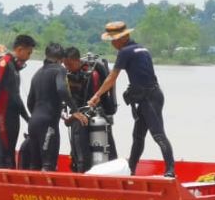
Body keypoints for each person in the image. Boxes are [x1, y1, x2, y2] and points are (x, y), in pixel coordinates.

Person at [88, 21, 176, 177]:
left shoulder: (125, 52)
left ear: (125, 37)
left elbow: (112, 77)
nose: (113, 43)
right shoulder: (141, 49)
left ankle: (170, 171)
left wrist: (97, 95)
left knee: (158, 134)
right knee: (138, 137)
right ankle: (131, 170)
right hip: (150, 96)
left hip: (149, 98)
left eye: (115, 40)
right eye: (111, 40)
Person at [25, 43, 87, 171]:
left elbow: (30, 102)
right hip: (48, 124)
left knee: (34, 165)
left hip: (33, 122)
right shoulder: (59, 69)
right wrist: (75, 110)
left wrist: (38, 115)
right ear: (61, 59)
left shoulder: (37, 73)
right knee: (48, 165)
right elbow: (62, 89)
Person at [0, 34, 36, 168]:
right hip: (3, 115)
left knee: (10, 151)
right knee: (4, 151)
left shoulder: (14, 67)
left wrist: (28, 118)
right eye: (28, 53)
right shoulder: (4, 63)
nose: (29, 56)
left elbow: (16, 97)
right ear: (19, 50)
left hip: (13, 116)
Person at [63, 47, 118, 172]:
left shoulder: (93, 73)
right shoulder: (67, 76)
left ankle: (110, 175)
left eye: (69, 64)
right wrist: (69, 117)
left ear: (77, 60)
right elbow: (63, 104)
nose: (67, 67)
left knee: (108, 150)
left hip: (96, 115)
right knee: (78, 152)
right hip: (77, 116)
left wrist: (73, 117)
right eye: (65, 64)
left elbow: (97, 99)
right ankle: (80, 171)